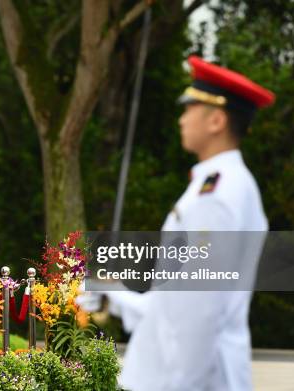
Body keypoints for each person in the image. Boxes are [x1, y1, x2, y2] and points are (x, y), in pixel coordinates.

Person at [114, 56, 275, 390]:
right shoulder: (220, 186)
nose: (181, 120)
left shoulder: (216, 195)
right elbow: (175, 303)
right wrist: (112, 296)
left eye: (189, 109)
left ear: (216, 120)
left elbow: (201, 313)